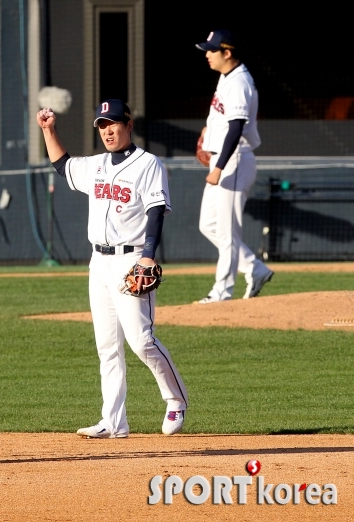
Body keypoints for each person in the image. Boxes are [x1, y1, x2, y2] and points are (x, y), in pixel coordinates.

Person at [36, 99, 188, 438]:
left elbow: (156, 209)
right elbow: (63, 165)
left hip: (131, 259)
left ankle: (176, 399)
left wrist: (148, 256)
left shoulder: (148, 164)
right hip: (99, 261)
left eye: (113, 123)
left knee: (142, 341)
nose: (107, 130)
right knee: (107, 346)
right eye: (102, 125)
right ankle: (113, 422)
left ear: (128, 124)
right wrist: (48, 129)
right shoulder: (97, 165)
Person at [195, 30, 273, 304]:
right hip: (223, 158)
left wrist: (219, 167)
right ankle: (255, 268)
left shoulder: (239, 81)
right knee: (208, 224)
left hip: (234, 159)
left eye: (211, 50)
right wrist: (209, 130)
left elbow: (237, 127)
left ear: (227, 53)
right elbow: (224, 116)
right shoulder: (227, 76)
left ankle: (222, 291)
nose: (207, 54)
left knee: (228, 230)